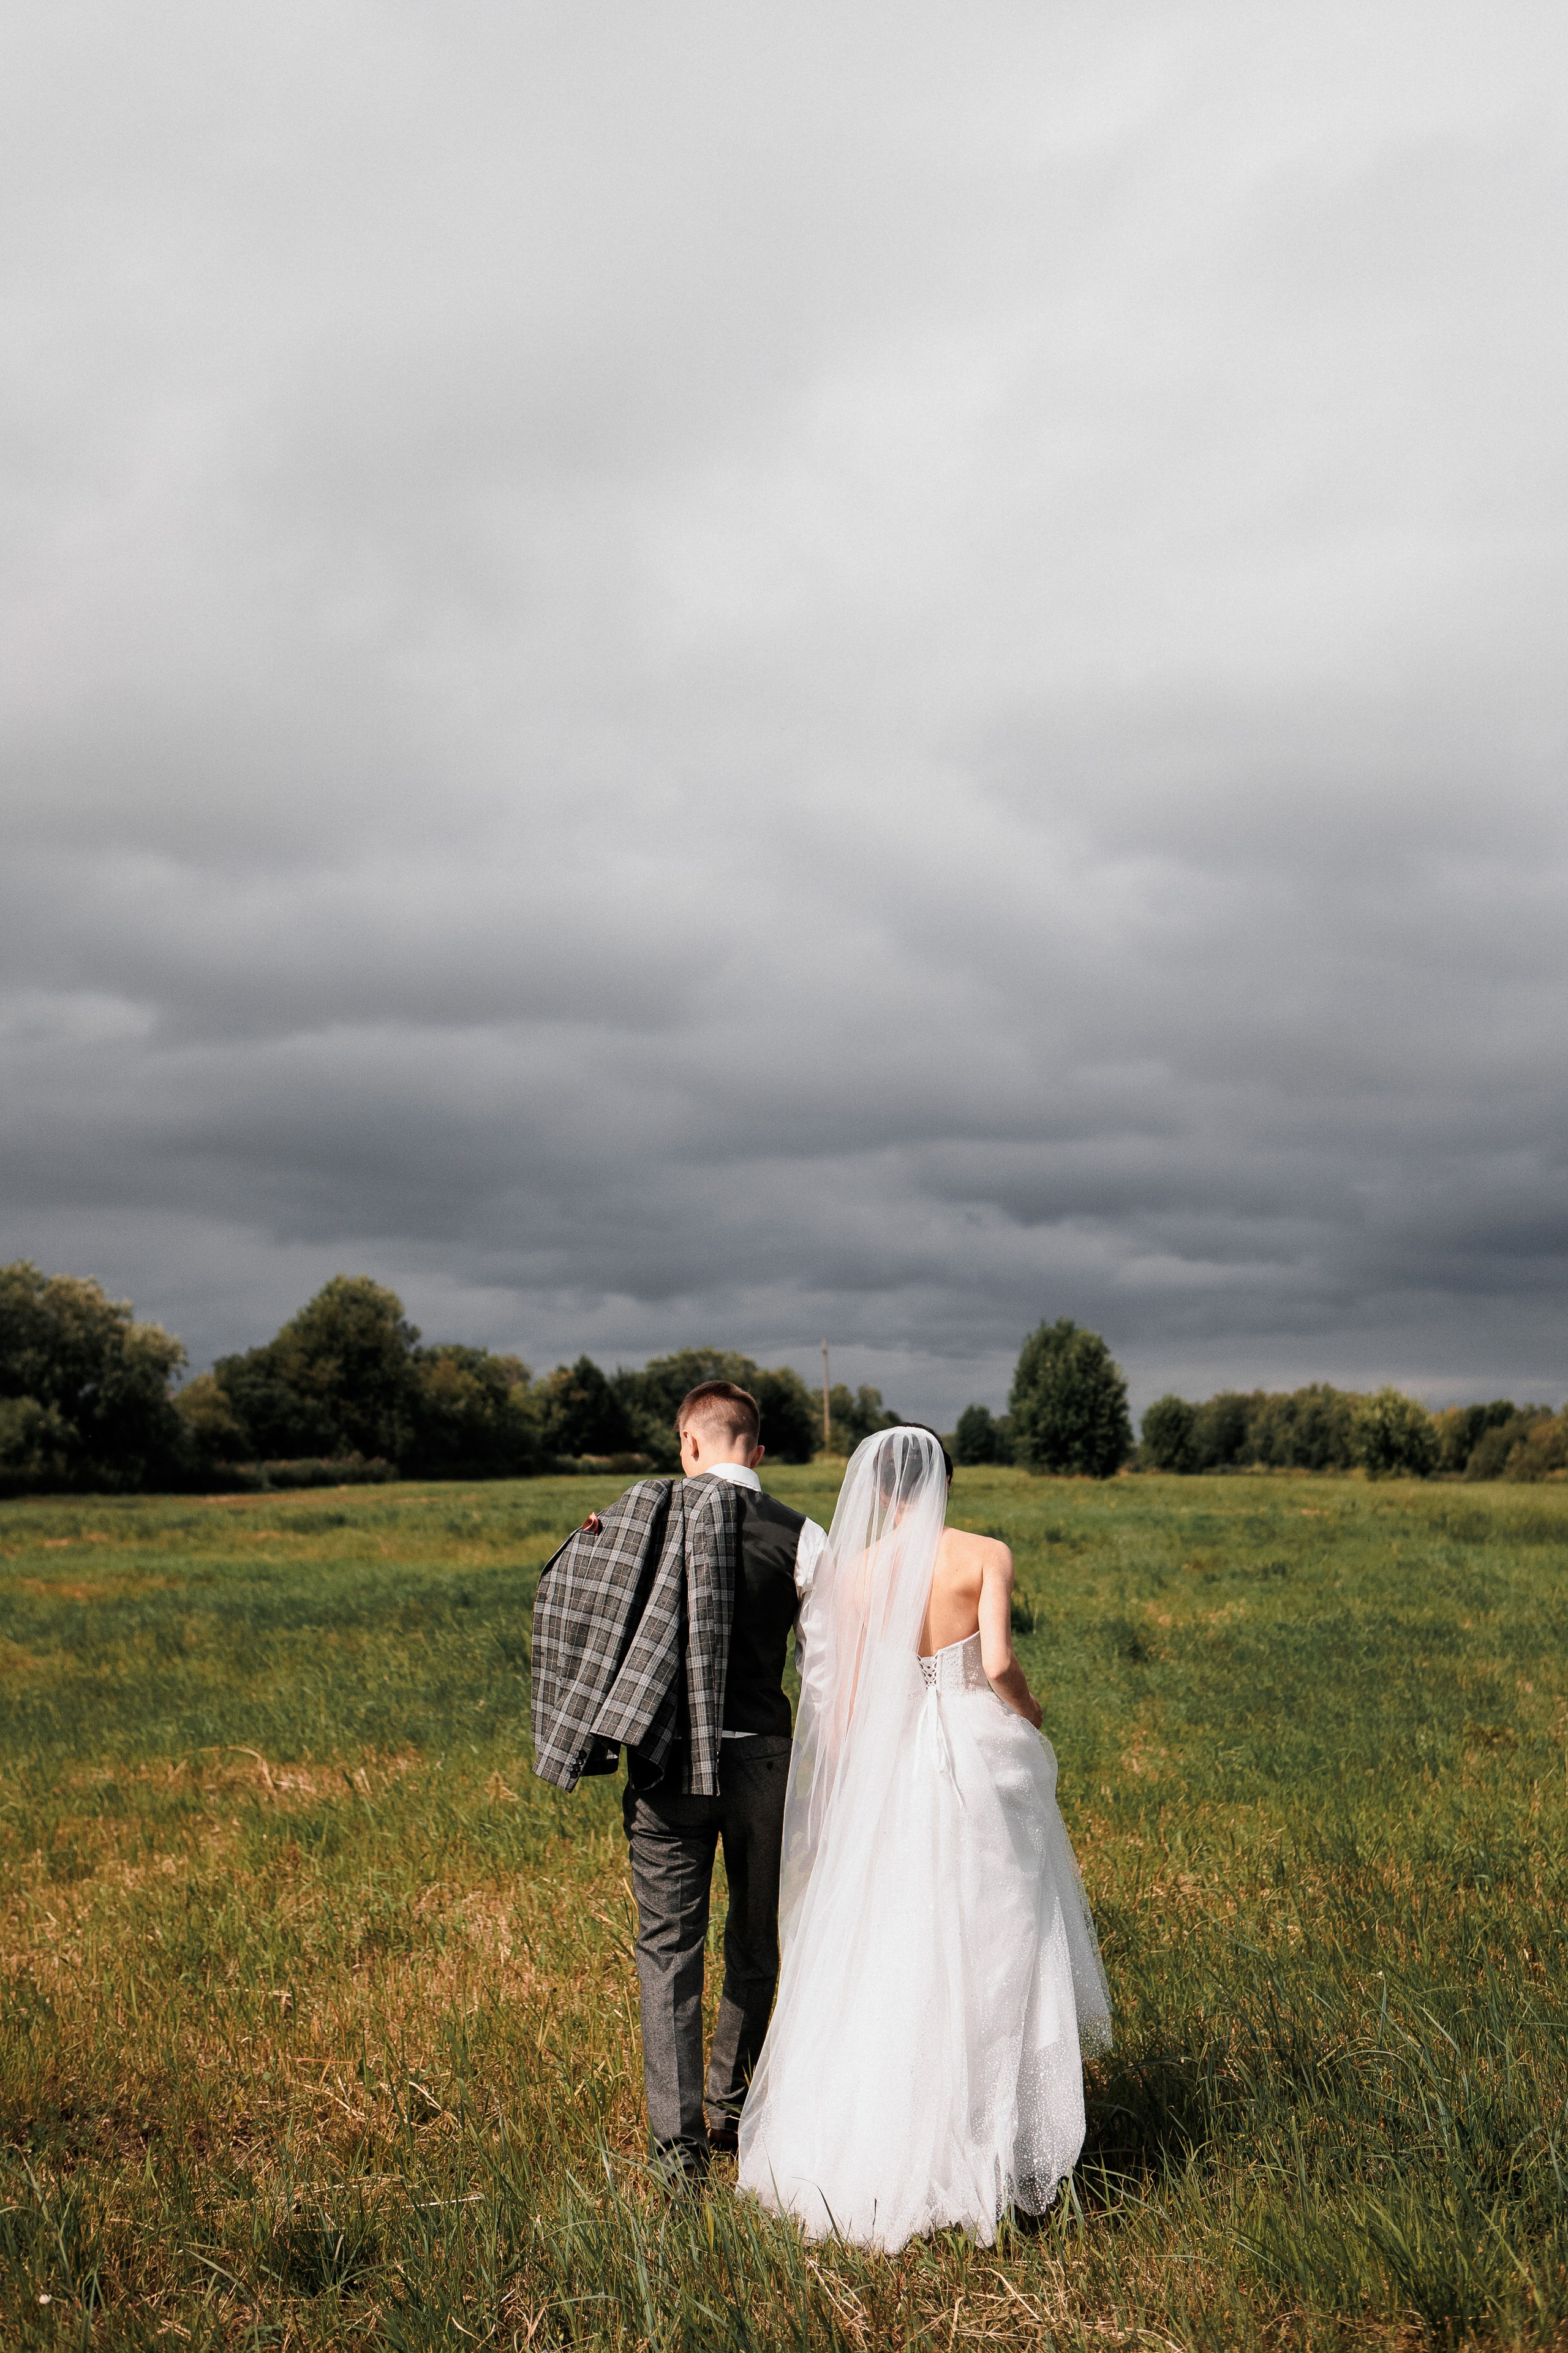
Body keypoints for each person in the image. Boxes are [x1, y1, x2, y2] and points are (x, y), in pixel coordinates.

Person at [736, 1424, 1110, 2250]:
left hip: (898, 1753)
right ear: (949, 1478)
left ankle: (902, 2127)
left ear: (879, 1489)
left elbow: (850, 1689)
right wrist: (1033, 1714)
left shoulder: (860, 1572)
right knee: (1002, 1935)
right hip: (980, 1740)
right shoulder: (985, 1552)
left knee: (902, 1932)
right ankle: (1009, 2145)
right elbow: (1002, 1661)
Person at [620, 1380, 828, 2179]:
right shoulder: (802, 1533)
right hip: (761, 1759)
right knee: (752, 1939)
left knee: (669, 1948)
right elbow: (827, 1673)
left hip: (668, 1758)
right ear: (759, 1450)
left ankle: (677, 2158)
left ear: (688, 1443)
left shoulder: (646, 1521)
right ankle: (729, 2109)